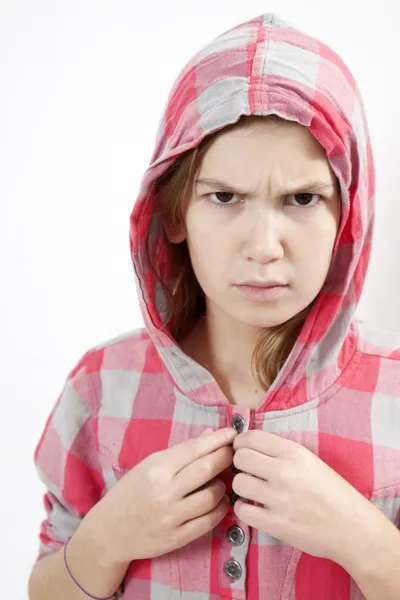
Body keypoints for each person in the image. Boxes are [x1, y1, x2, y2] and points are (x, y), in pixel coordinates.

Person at [28, 11, 400, 600]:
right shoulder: (101, 388)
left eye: (302, 197)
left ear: (347, 215)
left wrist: (365, 542)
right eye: (224, 196)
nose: (262, 247)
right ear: (174, 213)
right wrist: (107, 540)